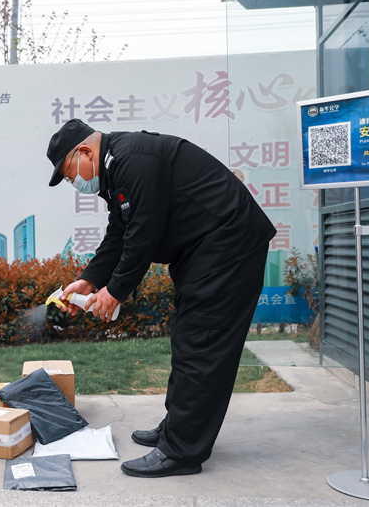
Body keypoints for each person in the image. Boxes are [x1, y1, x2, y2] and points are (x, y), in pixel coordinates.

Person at [46, 118, 275, 478]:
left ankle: (182, 451)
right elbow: (120, 232)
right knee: (188, 339)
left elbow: (144, 233)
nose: (74, 183)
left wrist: (115, 291)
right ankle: (178, 428)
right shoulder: (116, 169)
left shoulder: (133, 160)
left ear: (85, 152)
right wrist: (90, 280)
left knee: (202, 344)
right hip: (206, 252)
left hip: (228, 248)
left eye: (69, 173)